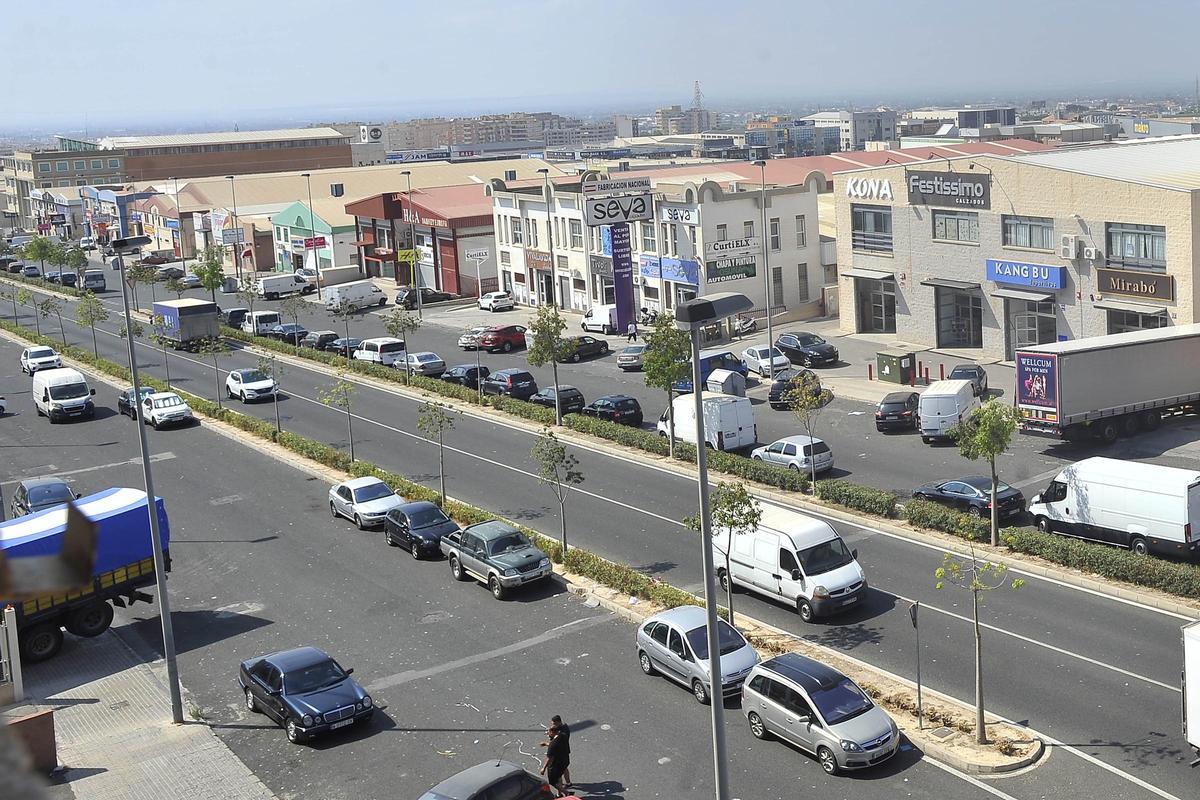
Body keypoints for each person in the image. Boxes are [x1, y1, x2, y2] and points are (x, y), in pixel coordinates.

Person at [539, 722, 570, 797]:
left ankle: (566, 793)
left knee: (553, 781)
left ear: (552, 732)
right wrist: (546, 744)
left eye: (549, 732)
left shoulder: (552, 745)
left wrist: (543, 768)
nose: (548, 734)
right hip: (565, 760)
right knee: (559, 777)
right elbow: (557, 744)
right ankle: (559, 794)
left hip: (557, 764)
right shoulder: (562, 735)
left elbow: (549, 758)